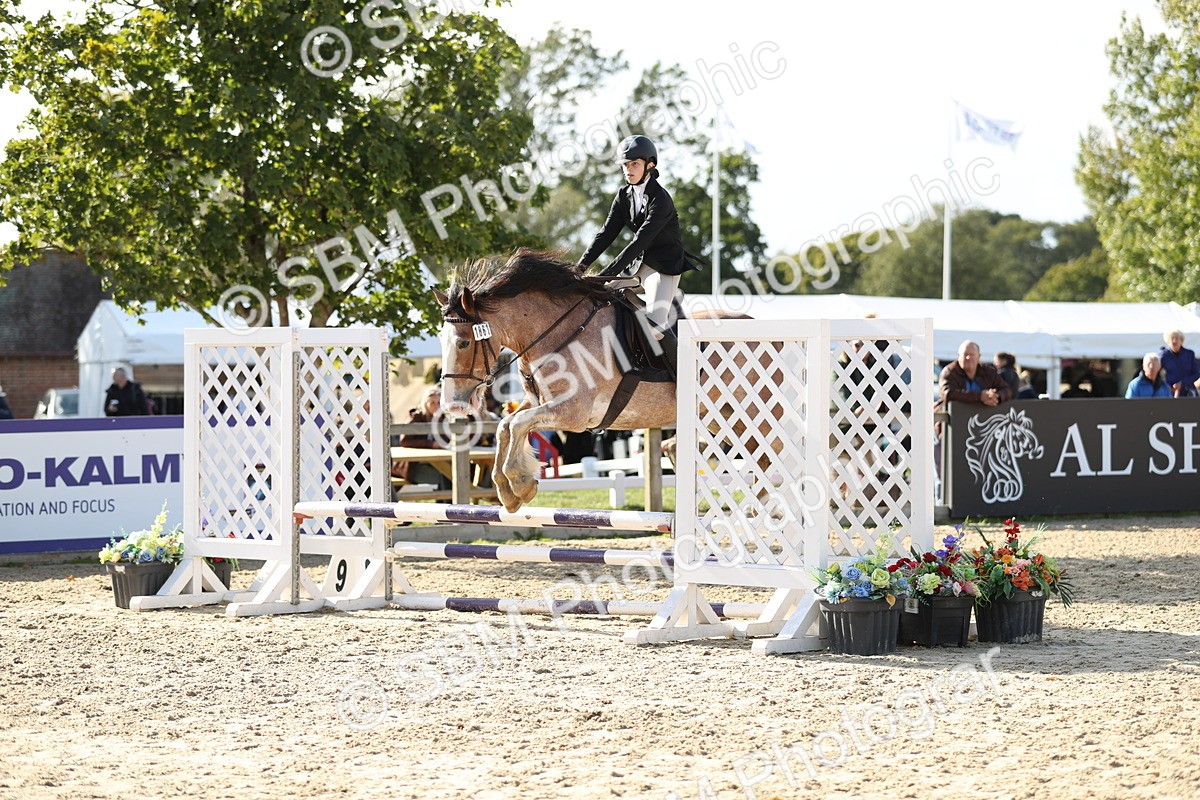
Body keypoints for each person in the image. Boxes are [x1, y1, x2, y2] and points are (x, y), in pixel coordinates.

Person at [578, 134, 698, 335]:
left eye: (634, 164)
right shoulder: (623, 196)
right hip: (637, 266)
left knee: (656, 329)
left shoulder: (660, 199)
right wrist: (580, 267)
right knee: (599, 298)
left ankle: (672, 364)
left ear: (649, 165)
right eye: (625, 165)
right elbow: (605, 235)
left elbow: (638, 242)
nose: (628, 170)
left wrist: (602, 275)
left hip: (663, 268)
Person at [390, 385, 450, 490]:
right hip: (413, 466)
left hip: (436, 462)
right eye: (432, 403)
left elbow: (446, 441)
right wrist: (431, 444)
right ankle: (445, 505)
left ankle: (446, 505)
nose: (436, 406)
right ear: (425, 404)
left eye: (439, 403)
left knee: (449, 475)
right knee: (445, 477)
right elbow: (405, 441)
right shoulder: (416, 416)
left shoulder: (443, 419)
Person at [938, 340, 1012, 408]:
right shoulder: (949, 372)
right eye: (965, 354)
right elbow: (948, 394)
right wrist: (979, 396)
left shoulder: (988, 372)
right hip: (955, 418)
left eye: (972, 354)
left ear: (979, 357)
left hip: (983, 418)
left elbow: (1006, 390)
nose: (968, 358)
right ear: (958, 356)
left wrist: (995, 396)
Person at [1157, 330, 1200, 398]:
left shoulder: (1189, 354)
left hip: (1188, 392)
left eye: (1177, 338)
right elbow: (1156, 374)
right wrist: (1166, 386)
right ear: (1168, 341)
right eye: (1172, 338)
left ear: (1181, 340)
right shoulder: (1163, 356)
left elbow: (1196, 374)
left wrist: (1182, 383)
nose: (1174, 341)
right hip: (1170, 392)